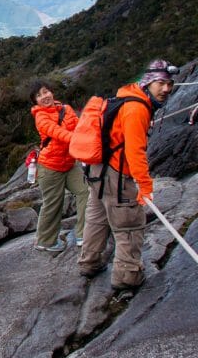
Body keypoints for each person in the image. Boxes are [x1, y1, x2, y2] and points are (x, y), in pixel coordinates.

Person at [77, 59, 176, 292]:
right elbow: (135, 152)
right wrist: (145, 186)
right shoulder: (137, 109)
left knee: (97, 218)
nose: (166, 89)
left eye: (169, 84)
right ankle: (127, 276)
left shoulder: (127, 95)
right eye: (160, 83)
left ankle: (89, 262)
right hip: (116, 174)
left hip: (96, 169)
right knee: (129, 224)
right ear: (149, 83)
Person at [29, 80, 89, 252]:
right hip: (50, 167)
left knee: (86, 191)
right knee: (53, 204)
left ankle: (84, 235)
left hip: (69, 163)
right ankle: (45, 241)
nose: (44, 96)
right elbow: (57, 133)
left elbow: (79, 126)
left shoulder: (66, 109)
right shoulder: (40, 117)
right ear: (36, 101)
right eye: (39, 95)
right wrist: (77, 139)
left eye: (45, 92)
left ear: (51, 92)